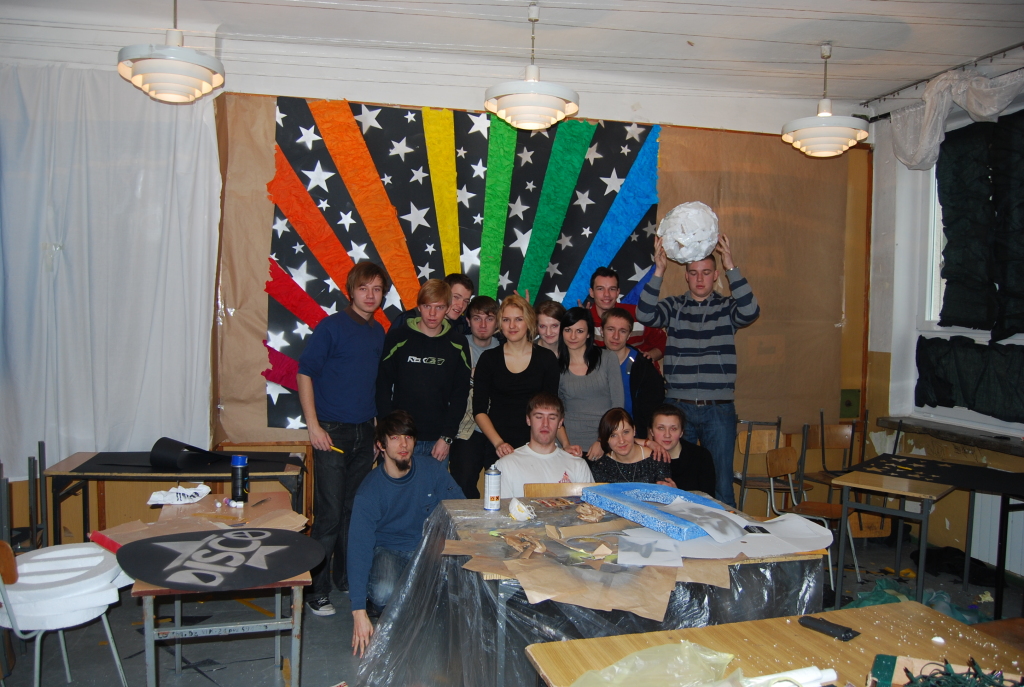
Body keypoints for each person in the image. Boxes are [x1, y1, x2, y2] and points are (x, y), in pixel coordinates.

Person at [636, 234, 760, 506]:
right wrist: (659, 270)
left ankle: (727, 531)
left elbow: (751, 310)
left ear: (715, 276)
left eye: (706, 272)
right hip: (678, 409)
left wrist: (731, 266)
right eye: (693, 273)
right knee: (674, 479)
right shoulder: (674, 307)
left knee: (722, 484)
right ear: (686, 277)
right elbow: (644, 314)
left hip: (718, 410)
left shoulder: (727, 308)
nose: (700, 278)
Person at [297, 261, 387, 617]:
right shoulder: (331, 327)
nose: (370, 295)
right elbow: (305, 373)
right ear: (351, 291)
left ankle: (345, 577)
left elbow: (371, 383)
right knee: (330, 514)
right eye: (364, 288)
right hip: (331, 433)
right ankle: (315, 590)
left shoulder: (378, 332)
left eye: (377, 289)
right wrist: (313, 426)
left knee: (354, 512)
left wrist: (376, 431)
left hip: (365, 433)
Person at [348, 411, 465, 657]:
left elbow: (460, 508)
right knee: (383, 592)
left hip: (428, 547)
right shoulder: (369, 492)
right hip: (389, 550)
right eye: (395, 438)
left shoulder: (431, 470)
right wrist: (358, 612)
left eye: (408, 437)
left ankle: (417, 597)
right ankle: (413, 597)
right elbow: (358, 548)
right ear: (381, 445)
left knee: (463, 583)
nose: (403, 445)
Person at [376, 279, 472, 469]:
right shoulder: (397, 337)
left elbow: (460, 395)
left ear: (447, 308)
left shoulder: (458, 343)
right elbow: (382, 387)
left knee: (434, 490)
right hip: (399, 437)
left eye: (439, 307)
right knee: (394, 488)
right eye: (427, 306)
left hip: (438, 441)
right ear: (419, 307)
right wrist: (388, 433)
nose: (432, 313)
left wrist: (447, 437)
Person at [474, 295, 560, 463]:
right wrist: (499, 443)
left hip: (537, 445)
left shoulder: (546, 358)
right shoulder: (488, 359)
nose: (512, 326)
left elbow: (552, 408)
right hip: (498, 444)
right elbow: (479, 410)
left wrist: (566, 444)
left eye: (518, 319)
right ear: (500, 324)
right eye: (506, 320)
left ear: (529, 321)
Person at [494, 393, 595, 498]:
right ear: (528, 420)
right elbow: (500, 508)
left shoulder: (578, 465)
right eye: (539, 417)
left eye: (552, 418)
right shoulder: (506, 465)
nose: (545, 424)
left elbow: (591, 506)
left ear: (560, 423)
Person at [449, 296, 501, 498]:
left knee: (503, 486)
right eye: (477, 318)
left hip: (498, 428)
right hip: (466, 430)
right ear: (468, 321)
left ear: (497, 322)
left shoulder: (506, 349)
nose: (483, 324)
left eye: (489, 318)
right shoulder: (456, 347)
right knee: (463, 486)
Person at [557, 307, 624, 459]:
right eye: (568, 330)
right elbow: (557, 412)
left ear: (588, 334)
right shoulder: (556, 366)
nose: (573, 336)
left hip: (607, 440)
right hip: (570, 444)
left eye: (579, 331)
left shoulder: (608, 358)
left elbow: (618, 406)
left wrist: (602, 440)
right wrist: (566, 445)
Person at [601, 307, 665, 439]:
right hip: (599, 432)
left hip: (635, 435)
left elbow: (653, 410)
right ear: (602, 331)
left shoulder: (642, 366)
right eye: (610, 329)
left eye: (622, 331)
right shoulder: (591, 362)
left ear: (629, 335)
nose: (616, 336)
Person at [587, 267, 666, 362]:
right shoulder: (586, 320)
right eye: (600, 289)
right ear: (592, 292)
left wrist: (648, 358)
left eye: (612, 289)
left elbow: (663, 343)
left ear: (618, 292)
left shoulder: (638, 314)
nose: (606, 294)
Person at [588, 408, 675, 486]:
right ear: (606, 438)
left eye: (626, 432)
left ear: (634, 430)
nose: (621, 441)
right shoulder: (601, 466)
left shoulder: (657, 458)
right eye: (613, 435)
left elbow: (666, 494)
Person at [643, 404, 717, 495]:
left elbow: (708, 498)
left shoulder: (700, 456)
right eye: (661, 428)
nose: (667, 435)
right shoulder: (643, 455)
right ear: (651, 431)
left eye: (673, 429)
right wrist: (647, 442)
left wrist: (678, 494)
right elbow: (626, 444)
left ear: (681, 432)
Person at [390, 273, 475, 336]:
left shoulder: (462, 324)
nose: (461, 305)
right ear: (444, 293)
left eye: (466, 301)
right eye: (456, 297)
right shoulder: (407, 319)